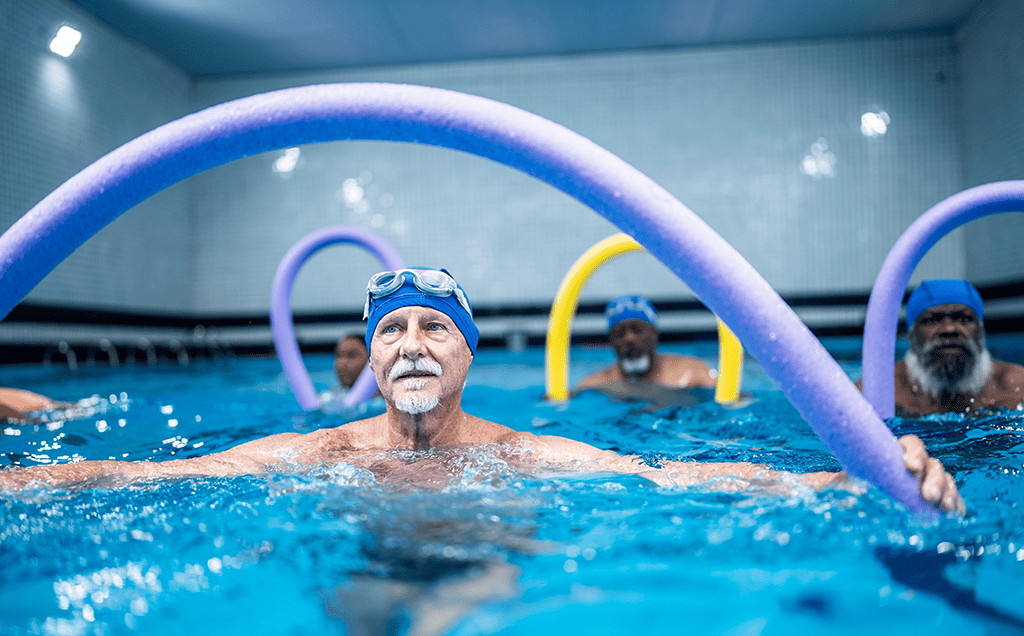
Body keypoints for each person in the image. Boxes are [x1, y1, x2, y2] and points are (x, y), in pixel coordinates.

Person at [0, 268, 963, 514]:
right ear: (372, 363)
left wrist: (862, 479)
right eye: (391, 330)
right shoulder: (320, 451)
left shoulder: (523, 453)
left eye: (434, 330)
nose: (410, 343)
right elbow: (140, 473)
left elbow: (677, 478)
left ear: (466, 362)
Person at [884, 279, 1024, 416]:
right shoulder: (885, 390)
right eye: (932, 320)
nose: (949, 329)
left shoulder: (1016, 387)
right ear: (911, 335)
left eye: (963, 319)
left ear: (980, 331)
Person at [572, 296, 717, 404]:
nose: (629, 338)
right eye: (620, 333)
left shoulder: (693, 373)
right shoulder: (596, 384)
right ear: (611, 341)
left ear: (654, 334)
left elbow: (729, 399)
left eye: (637, 330)